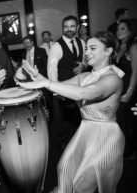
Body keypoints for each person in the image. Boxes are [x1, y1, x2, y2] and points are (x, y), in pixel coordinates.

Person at [18, 31, 125, 193]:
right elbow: (59, 90)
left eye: (93, 48)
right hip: (85, 130)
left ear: (108, 51)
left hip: (105, 135)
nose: (87, 53)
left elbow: (83, 93)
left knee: (83, 185)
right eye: (86, 48)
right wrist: (38, 77)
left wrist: (45, 83)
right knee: (64, 169)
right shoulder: (85, 76)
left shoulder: (113, 79)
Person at [47, 15, 87, 150]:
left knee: (79, 118)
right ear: (62, 28)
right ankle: (63, 146)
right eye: (65, 27)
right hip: (65, 90)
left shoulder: (81, 42)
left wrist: (83, 65)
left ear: (77, 27)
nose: (69, 29)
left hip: (81, 89)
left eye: (71, 26)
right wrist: (57, 91)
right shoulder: (56, 46)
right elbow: (51, 72)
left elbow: (86, 60)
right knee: (65, 121)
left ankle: (77, 144)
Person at [115, 18, 137, 159]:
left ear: (131, 30)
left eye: (123, 28)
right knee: (122, 119)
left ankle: (130, 151)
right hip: (121, 87)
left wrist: (129, 92)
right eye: (118, 29)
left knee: (127, 120)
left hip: (131, 87)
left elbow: (136, 71)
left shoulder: (134, 46)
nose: (119, 31)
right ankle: (126, 149)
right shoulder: (122, 46)